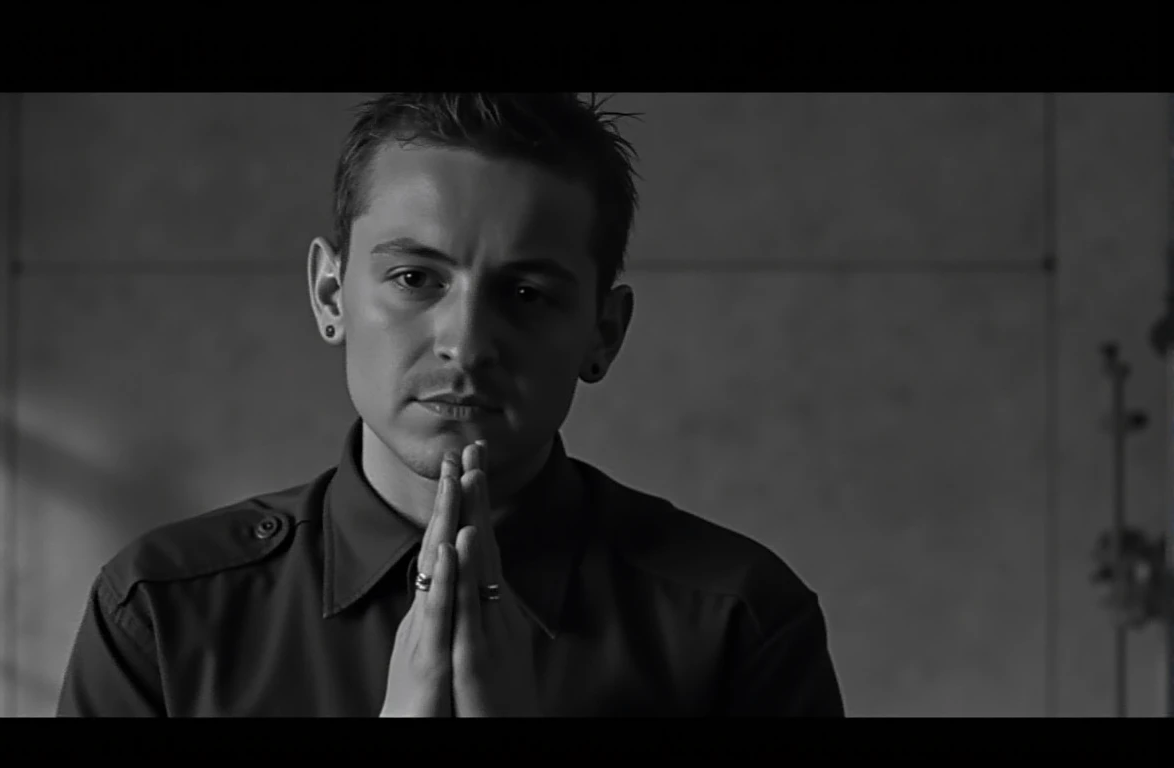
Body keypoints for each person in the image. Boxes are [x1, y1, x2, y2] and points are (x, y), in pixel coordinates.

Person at [56, 92, 845, 717]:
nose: (465, 344)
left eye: (528, 293)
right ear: (331, 294)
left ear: (603, 334)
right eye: (414, 278)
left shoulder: (740, 624)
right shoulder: (164, 614)